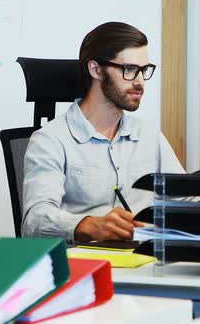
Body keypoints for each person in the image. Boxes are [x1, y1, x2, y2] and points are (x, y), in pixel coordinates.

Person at [22, 22, 184, 243]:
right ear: (96, 69)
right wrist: (88, 225)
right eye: (129, 70)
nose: (140, 82)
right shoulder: (50, 140)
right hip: (85, 266)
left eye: (144, 70)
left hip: (145, 261)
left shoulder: (148, 134)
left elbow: (186, 196)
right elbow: (34, 221)